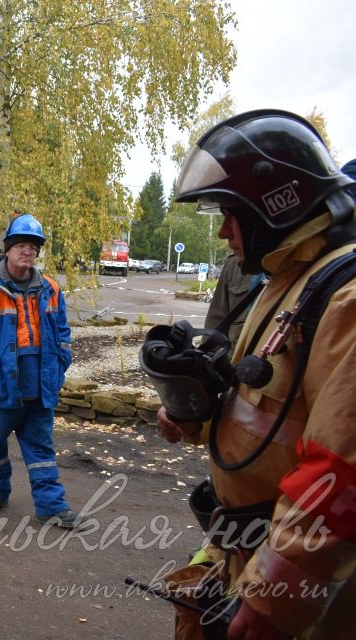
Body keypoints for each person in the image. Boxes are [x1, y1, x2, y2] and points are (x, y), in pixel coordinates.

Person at [155, 110, 356, 639]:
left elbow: (340, 475)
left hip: (300, 591)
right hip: (246, 549)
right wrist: (194, 406)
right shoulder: (289, 279)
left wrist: (274, 601)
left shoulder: (344, 299)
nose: (223, 231)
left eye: (229, 212)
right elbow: (265, 403)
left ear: (275, 203)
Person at [0, 213, 81, 528]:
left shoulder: (51, 289)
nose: (28, 252)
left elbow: (63, 334)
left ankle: (51, 507)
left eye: (33, 247)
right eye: (21, 245)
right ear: (7, 250)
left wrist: (60, 364)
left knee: (41, 448)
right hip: (3, 386)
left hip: (40, 384)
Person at [203, 252, 265, 345]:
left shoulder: (292, 262)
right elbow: (216, 320)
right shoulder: (234, 263)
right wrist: (208, 356)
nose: (224, 237)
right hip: (235, 356)